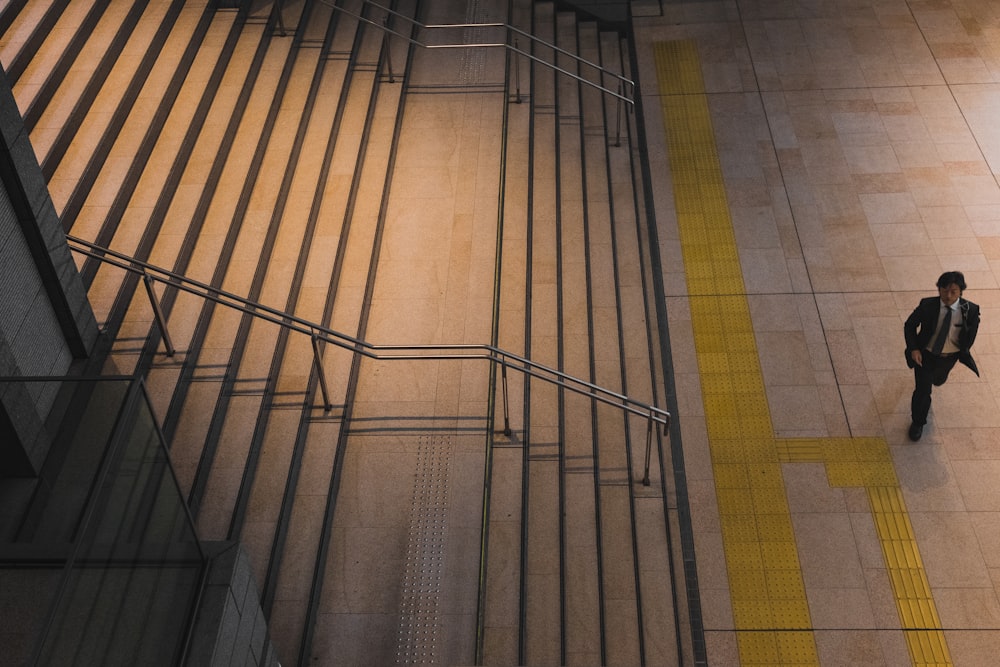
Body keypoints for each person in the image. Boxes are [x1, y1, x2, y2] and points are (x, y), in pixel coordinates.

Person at [903, 270, 980, 441]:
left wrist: (963, 351)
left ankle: (936, 379)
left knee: (938, 380)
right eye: (944, 290)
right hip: (925, 355)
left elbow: (970, 336)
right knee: (923, 391)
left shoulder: (970, 311)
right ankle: (918, 422)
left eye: (953, 292)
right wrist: (914, 348)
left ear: (961, 292)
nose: (948, 295)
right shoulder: (927, 305)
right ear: (938, 289)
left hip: (948, 357)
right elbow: (909, 325)